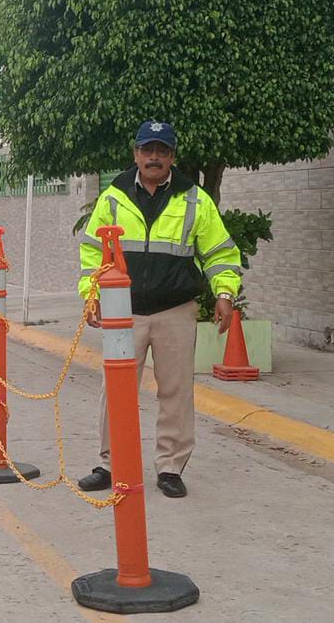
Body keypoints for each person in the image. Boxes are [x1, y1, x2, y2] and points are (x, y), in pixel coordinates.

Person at [76, 121, 242, 499]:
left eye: (162, 151)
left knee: (176, 392)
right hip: (124, 312)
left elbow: (219, 253)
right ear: (135, 154)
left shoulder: (195, 200)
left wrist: (225, 293)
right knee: (115, 390)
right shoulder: (113, 197)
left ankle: (170, 468)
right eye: (148, 150)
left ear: (172, 157)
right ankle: (110, 464)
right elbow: (92, 253)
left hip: (175, 310)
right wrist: (91, 293)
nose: (154, 157)